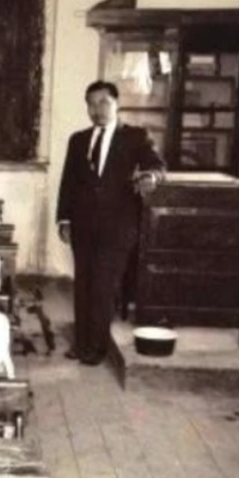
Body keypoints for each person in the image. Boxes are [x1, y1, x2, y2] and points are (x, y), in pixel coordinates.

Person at [57, 80, 164, 365]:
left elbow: (156, 165)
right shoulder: (78, 140)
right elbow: (68, 182)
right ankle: (81, 343)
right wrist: (64, 219)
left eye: (104, 102)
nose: (97, 109)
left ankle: (97, 347)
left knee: (103, 287)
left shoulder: (135, 136)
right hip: (82, 227)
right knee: (83, 285)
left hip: (118, 228)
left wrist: (151, 177)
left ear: (117, 104)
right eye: (91, 104)